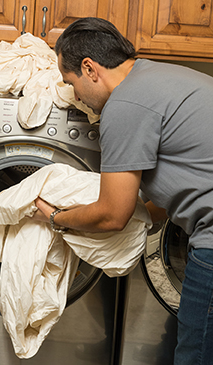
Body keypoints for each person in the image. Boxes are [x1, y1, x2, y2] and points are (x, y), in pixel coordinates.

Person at [32, 17, 213, 365]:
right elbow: (180, 187)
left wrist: (57, 218)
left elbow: (114, 215)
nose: (76, 95)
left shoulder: (125, 106)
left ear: (90, 68)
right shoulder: (157, 78)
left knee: (195, 355)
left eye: (71, 83)